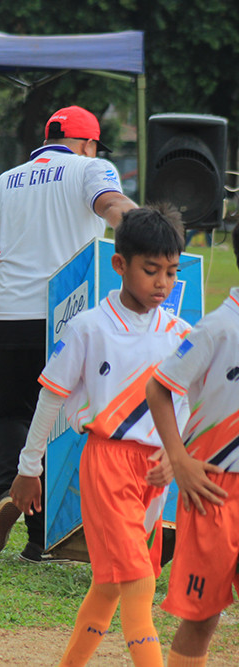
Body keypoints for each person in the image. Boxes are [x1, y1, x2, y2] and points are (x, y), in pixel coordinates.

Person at [0, 105, 137, 562]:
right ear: (88, 143)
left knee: (10, 412)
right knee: (61, 424)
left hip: (10, 316)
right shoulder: (92, 169)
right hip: (71, 317)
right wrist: (148, 230)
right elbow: (112, 207)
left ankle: (1, 494)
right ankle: (43, 539)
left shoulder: (1, 183)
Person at [9, 207, 190, 666]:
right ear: (120, 265)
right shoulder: (89, 327)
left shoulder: (181, 335)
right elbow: (51, 399)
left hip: (156, 474)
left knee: (110, 584)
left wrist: (178, 455)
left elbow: (187, 406)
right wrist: (29, 469)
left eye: (171, 272)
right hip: (107, 464)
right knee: (139, 584)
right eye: (151, 270)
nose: (162, 283)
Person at [146, 222, 239, 667]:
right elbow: (159, 388)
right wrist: (179, 459)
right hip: (214, 489)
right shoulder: (217, 328)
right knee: (203, 615)